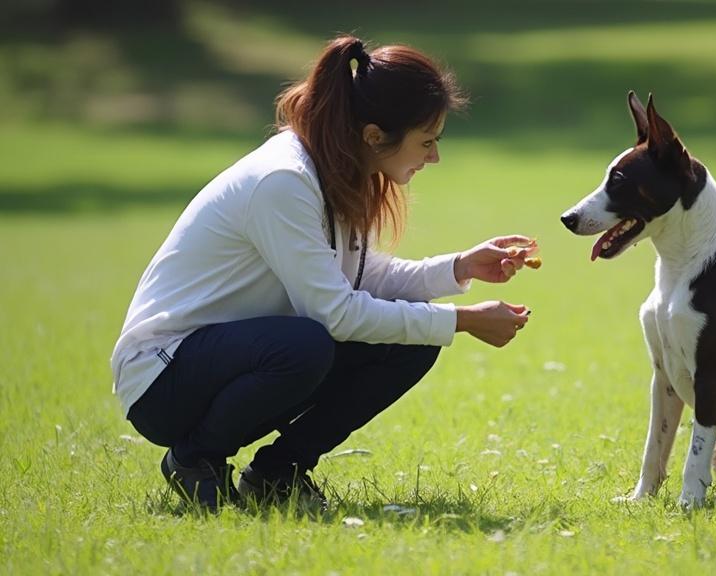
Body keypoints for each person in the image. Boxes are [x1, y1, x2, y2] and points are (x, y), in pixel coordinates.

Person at [110, 35, 537, 512]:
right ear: (375, 136)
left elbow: (358, 278)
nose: (433, 157)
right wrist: (463, 321)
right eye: (427, 141)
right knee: (306, 344)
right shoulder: (285, 180)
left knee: (411, 340)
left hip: (232, 359)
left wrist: (458, 267)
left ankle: (277, 474)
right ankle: (194, 459)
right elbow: (336, 313)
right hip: (163, 378)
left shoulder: (332, 165)